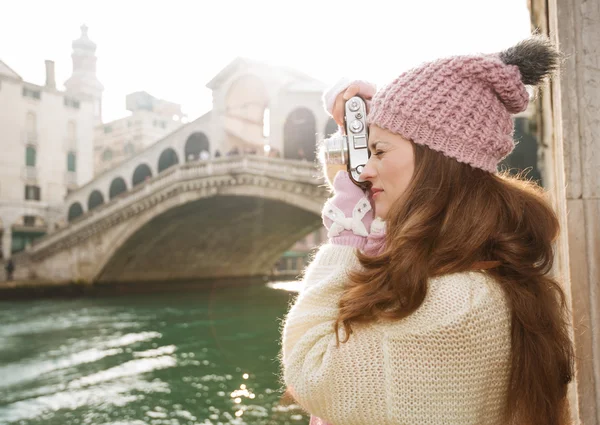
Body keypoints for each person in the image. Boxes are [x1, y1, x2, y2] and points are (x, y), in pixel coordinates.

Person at [280, 36, 574, 425]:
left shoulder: (456, 304)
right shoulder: (469, 270)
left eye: (379, 152)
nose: (364, 171)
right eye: (365, 152)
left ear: (438, 163)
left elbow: (311, 371)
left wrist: (347, 234)